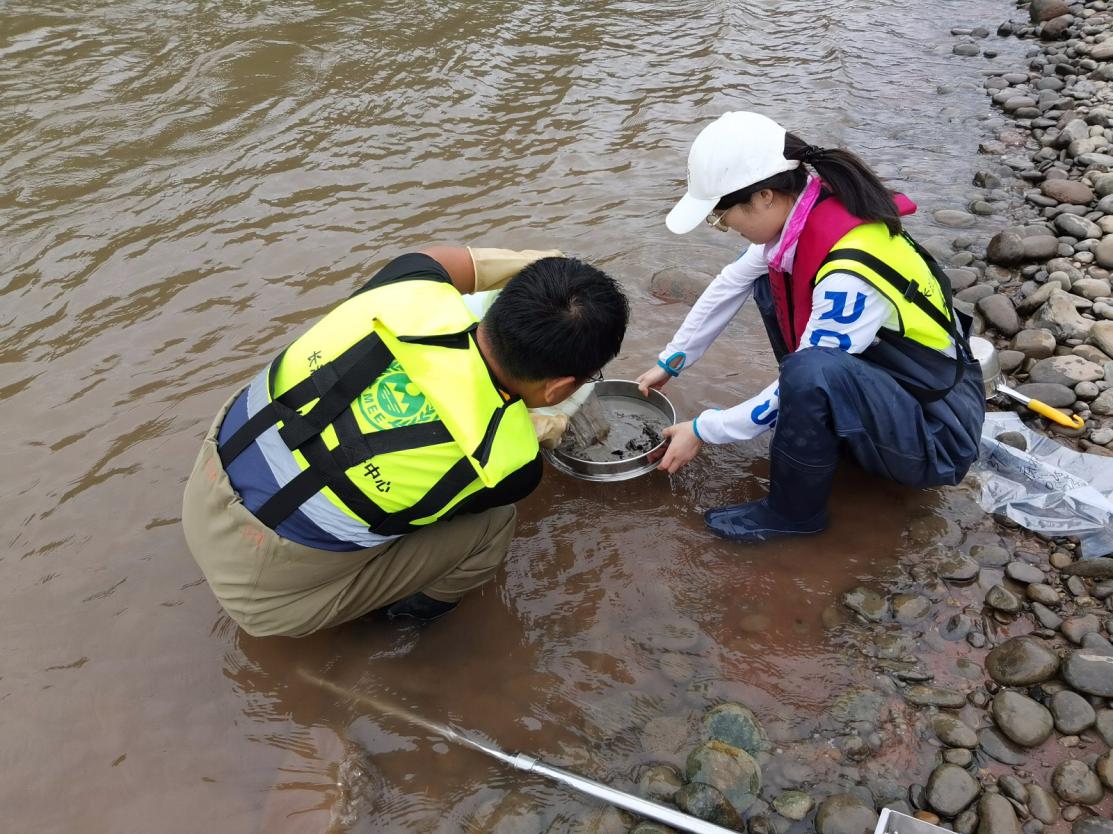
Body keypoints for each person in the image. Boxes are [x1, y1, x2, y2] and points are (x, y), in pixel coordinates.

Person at [182, 246, 629, 636]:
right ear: (557, 389)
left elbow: (456, 261)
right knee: (492, 527)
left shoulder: (407, 283)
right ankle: (403, 625)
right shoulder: (511, 464)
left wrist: (543, 267)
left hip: (204, 485)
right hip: (260, 599)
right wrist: (542, 427)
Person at [637, 111, 985, 543]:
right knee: (771, 288)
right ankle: (831, 438)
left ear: (764, 196)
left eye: (722, 216)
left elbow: (807, 376)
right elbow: (730, 283)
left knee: (808, 373)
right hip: (898, 392)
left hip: (938, 432)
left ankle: (793, 513)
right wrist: (672, 361)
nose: (725, 228)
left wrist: (704, 429)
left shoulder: (847, 272)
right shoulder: (803, 214)